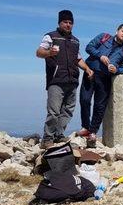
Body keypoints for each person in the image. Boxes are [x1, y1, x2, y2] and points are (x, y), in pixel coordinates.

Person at [36, 10, 93, 149]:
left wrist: (87, 69)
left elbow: (78, 58)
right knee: (54, 111)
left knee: (67, 111)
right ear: (59, 22)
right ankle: (47, 139)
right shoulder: (50, 37)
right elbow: (39, 52)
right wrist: (49, 53)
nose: (68, 25)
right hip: (56, 80)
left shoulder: (75, 41)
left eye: (70, 23)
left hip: (72, 80)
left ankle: (58, 135)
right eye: (65, 22)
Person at [78, 23, 123, 147]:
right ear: (117, 31)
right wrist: (100, 55)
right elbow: (88, 47)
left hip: (105, 78)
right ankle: (85, 126)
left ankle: (92, 132)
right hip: (90, 73)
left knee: (100, 106)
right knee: (84, 100)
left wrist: (116, 69)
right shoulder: (104, 37)